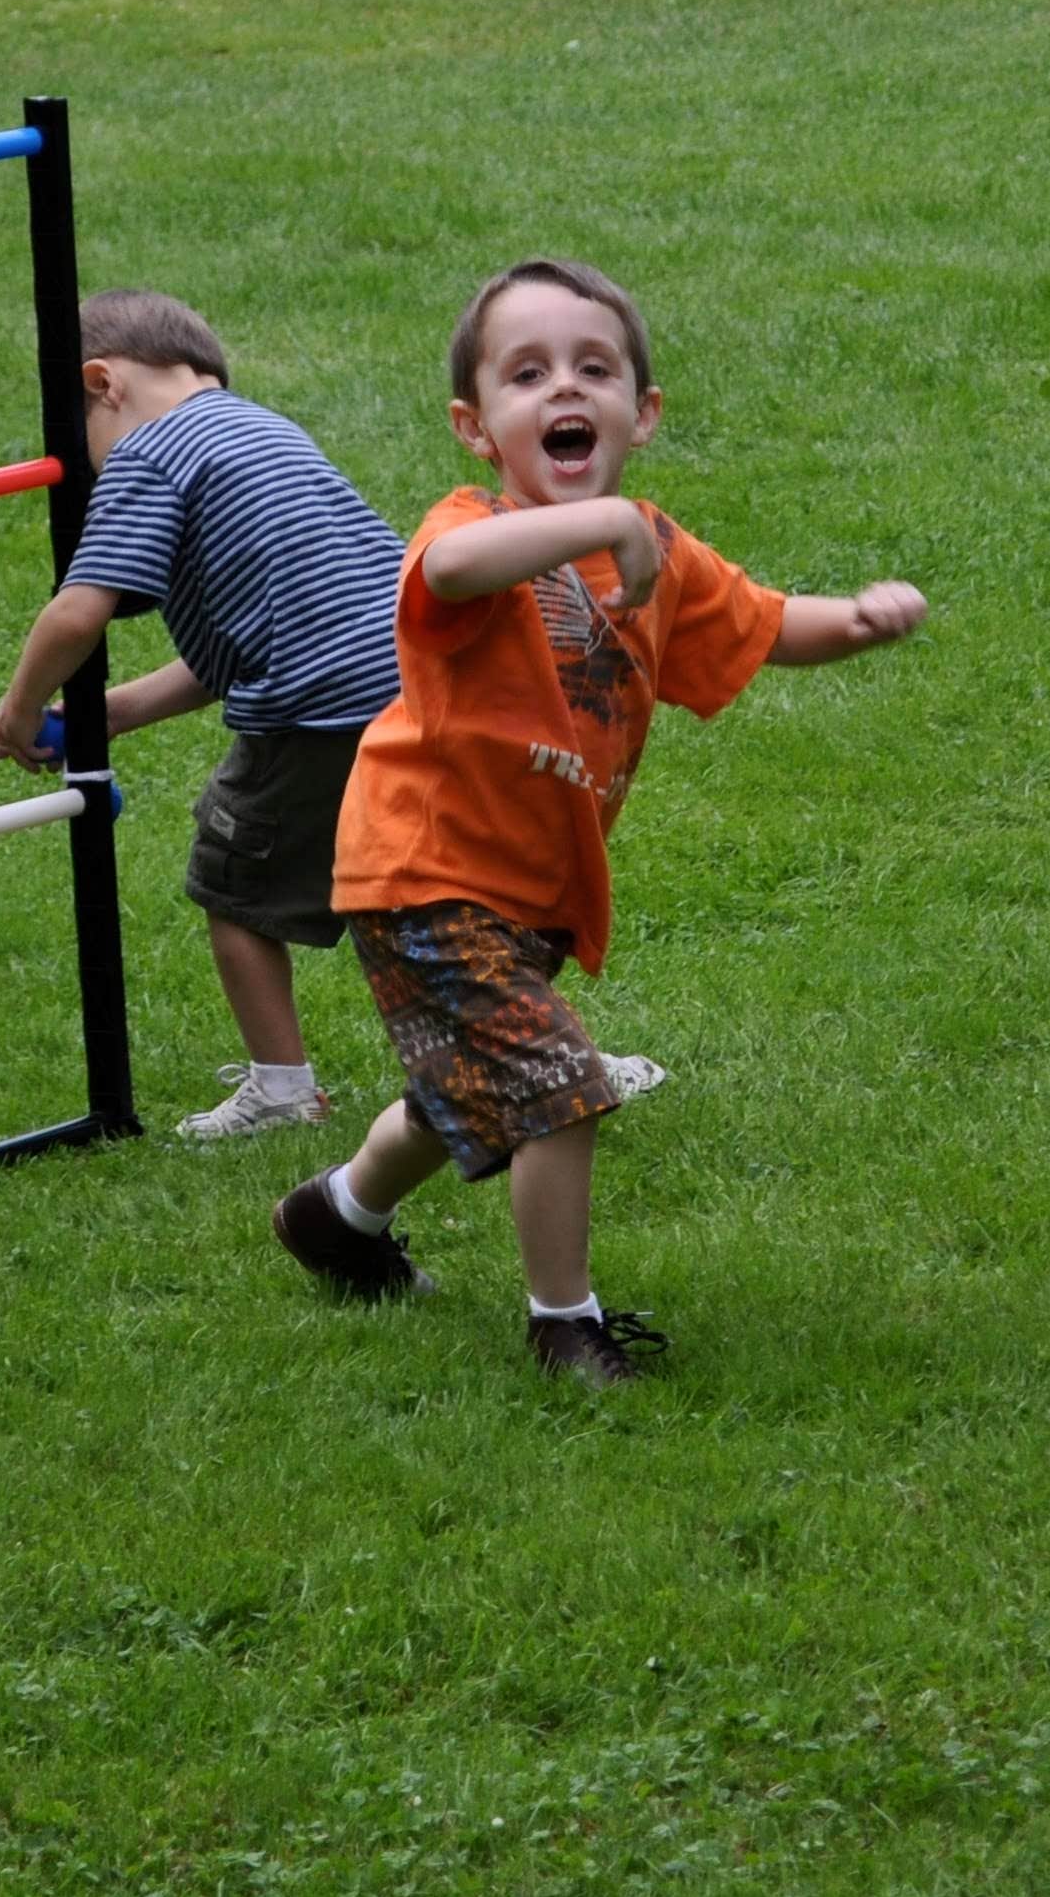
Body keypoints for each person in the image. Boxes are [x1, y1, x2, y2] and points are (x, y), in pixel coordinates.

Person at [274, 259, 926, 1383]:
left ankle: (337, 1217)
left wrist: (856, 621)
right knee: (560, 1084)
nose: (563, 389)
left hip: (526, 885)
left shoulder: (659, 557)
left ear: (643, 410)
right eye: (526, 374)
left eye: (592, 368)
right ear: (476, 427)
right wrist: (609, 518)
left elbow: (763, 623)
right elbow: (447, 568)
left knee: (466, 1088)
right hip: (423, 869)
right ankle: (563, 1322)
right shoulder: (474, 522)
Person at [0, 291, 408, 1143]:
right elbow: (228, 655)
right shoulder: (260, 431)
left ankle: (282, 1090)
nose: (95, 473)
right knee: (424, 892)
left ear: (102, 384)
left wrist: (17, 711)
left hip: (319, 709)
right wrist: (102, 715)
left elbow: (76, 613)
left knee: (234, 891)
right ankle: (533, 1051)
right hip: (419, 684)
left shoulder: (150, 453)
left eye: (82, 446)